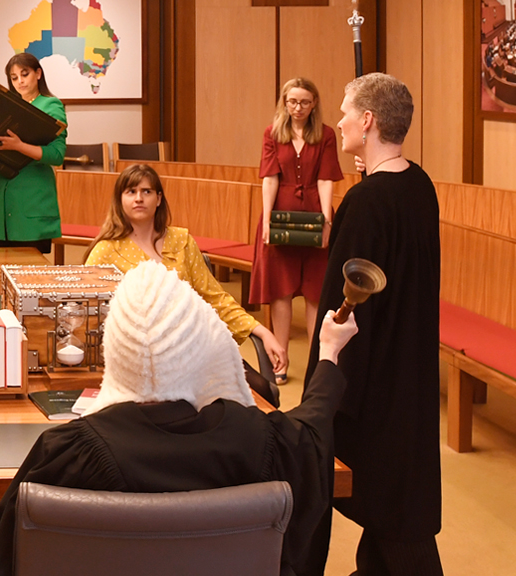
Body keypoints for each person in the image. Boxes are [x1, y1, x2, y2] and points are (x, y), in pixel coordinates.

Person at [0, 260, 360, 576]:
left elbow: (0, 558)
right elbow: (311, 432)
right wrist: (327, 353)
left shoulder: (69, 450)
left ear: (115, 350)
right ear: (202, 347)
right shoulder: (255, 437)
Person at [304, 72, 443, 576]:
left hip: (370, 388)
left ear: (367, 121)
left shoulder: (365, 203)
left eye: (345, 111)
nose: (337, 120)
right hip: (410, 377)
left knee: (394, 525)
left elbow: (342, 308)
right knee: (395, 522)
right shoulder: (419, 185)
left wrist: (326, 387)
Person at [85, 164, 287, 374]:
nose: (139, 198)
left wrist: (262, 331)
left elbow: (215, 299)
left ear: (159, 199)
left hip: (195, 348)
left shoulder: (181, 241)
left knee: (257, 391)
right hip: (141, 361)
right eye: (131, 192)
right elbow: (86, 312)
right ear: (120, 200)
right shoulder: (105, 251)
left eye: (147, 191)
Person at [251, 78, 343, 384]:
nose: (298, 108)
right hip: (280, 214)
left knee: (318, 291)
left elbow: (326, 178)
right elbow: (270, 178)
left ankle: (319, 363)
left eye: (304, 102)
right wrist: (267, 221)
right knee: (282, 291)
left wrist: (327, 221)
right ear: (284, 102)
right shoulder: (272, 133)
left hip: (315, 214)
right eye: (292, 101)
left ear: (314, 102)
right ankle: (280, 359)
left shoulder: (326, 134)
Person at [0, 53, 66, 254]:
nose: (20, 81)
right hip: (0, 212)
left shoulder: (51, 105)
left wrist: (19, 146)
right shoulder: (5, 107)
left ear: (38, 74)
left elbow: (56, 155)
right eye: (14, 77)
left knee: (30, 279)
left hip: (32, 206)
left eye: (24, 74)